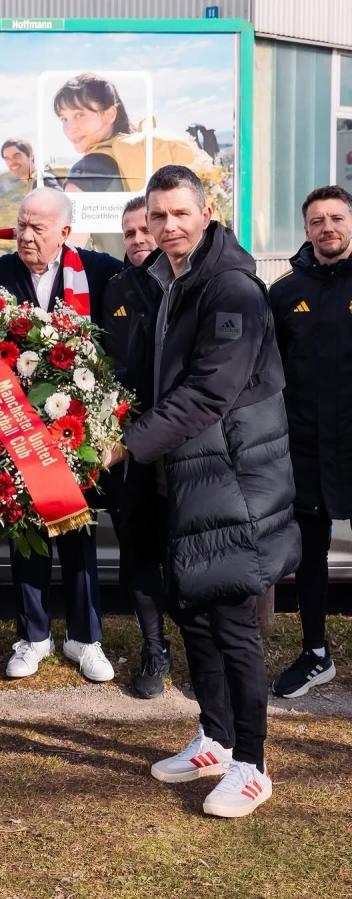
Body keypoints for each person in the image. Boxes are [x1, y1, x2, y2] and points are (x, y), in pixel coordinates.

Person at [118, 165, 300, 817]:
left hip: (232, 479)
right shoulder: (166, 281)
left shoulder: (232, 288)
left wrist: (128, 443)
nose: (168, 226)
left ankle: (252, 764)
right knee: (193, 611)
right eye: (158, 215)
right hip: (183, 476)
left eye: (179, 213)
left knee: (233, 624)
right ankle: (216, 739)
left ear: (206, 212)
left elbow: (210, 390)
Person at [0, 187, 123, 682]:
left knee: (79, 535)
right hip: (16, 430)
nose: (26, 235)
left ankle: (85, 638)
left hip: (76, 432)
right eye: (21, 224)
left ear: (64, 232)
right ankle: (33, 636)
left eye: (37, 227)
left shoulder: (96, 271)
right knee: (28, 537)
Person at [269, 185, 352, 698]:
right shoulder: (283, 293)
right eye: (317, 221)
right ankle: (316, 653)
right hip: (306, 451)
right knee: (311, 555)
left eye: (337, 218)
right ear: (306, 230)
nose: (328, 228)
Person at [101, 196, 170, 699]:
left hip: (183, 439)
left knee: (185, 551)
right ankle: (154, 647)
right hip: (129, 445)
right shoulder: (115, 288)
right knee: (138, 550)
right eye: (129, 233)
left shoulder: (183, 281)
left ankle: (205, 651)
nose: (139, 238)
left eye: (146, 228)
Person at [53, 73, 208, 194]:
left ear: (109, 115)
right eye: (64, 119)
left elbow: (71, 227)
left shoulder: (86, 172)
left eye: (79, 115)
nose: (69, 128)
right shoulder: (137, 153)